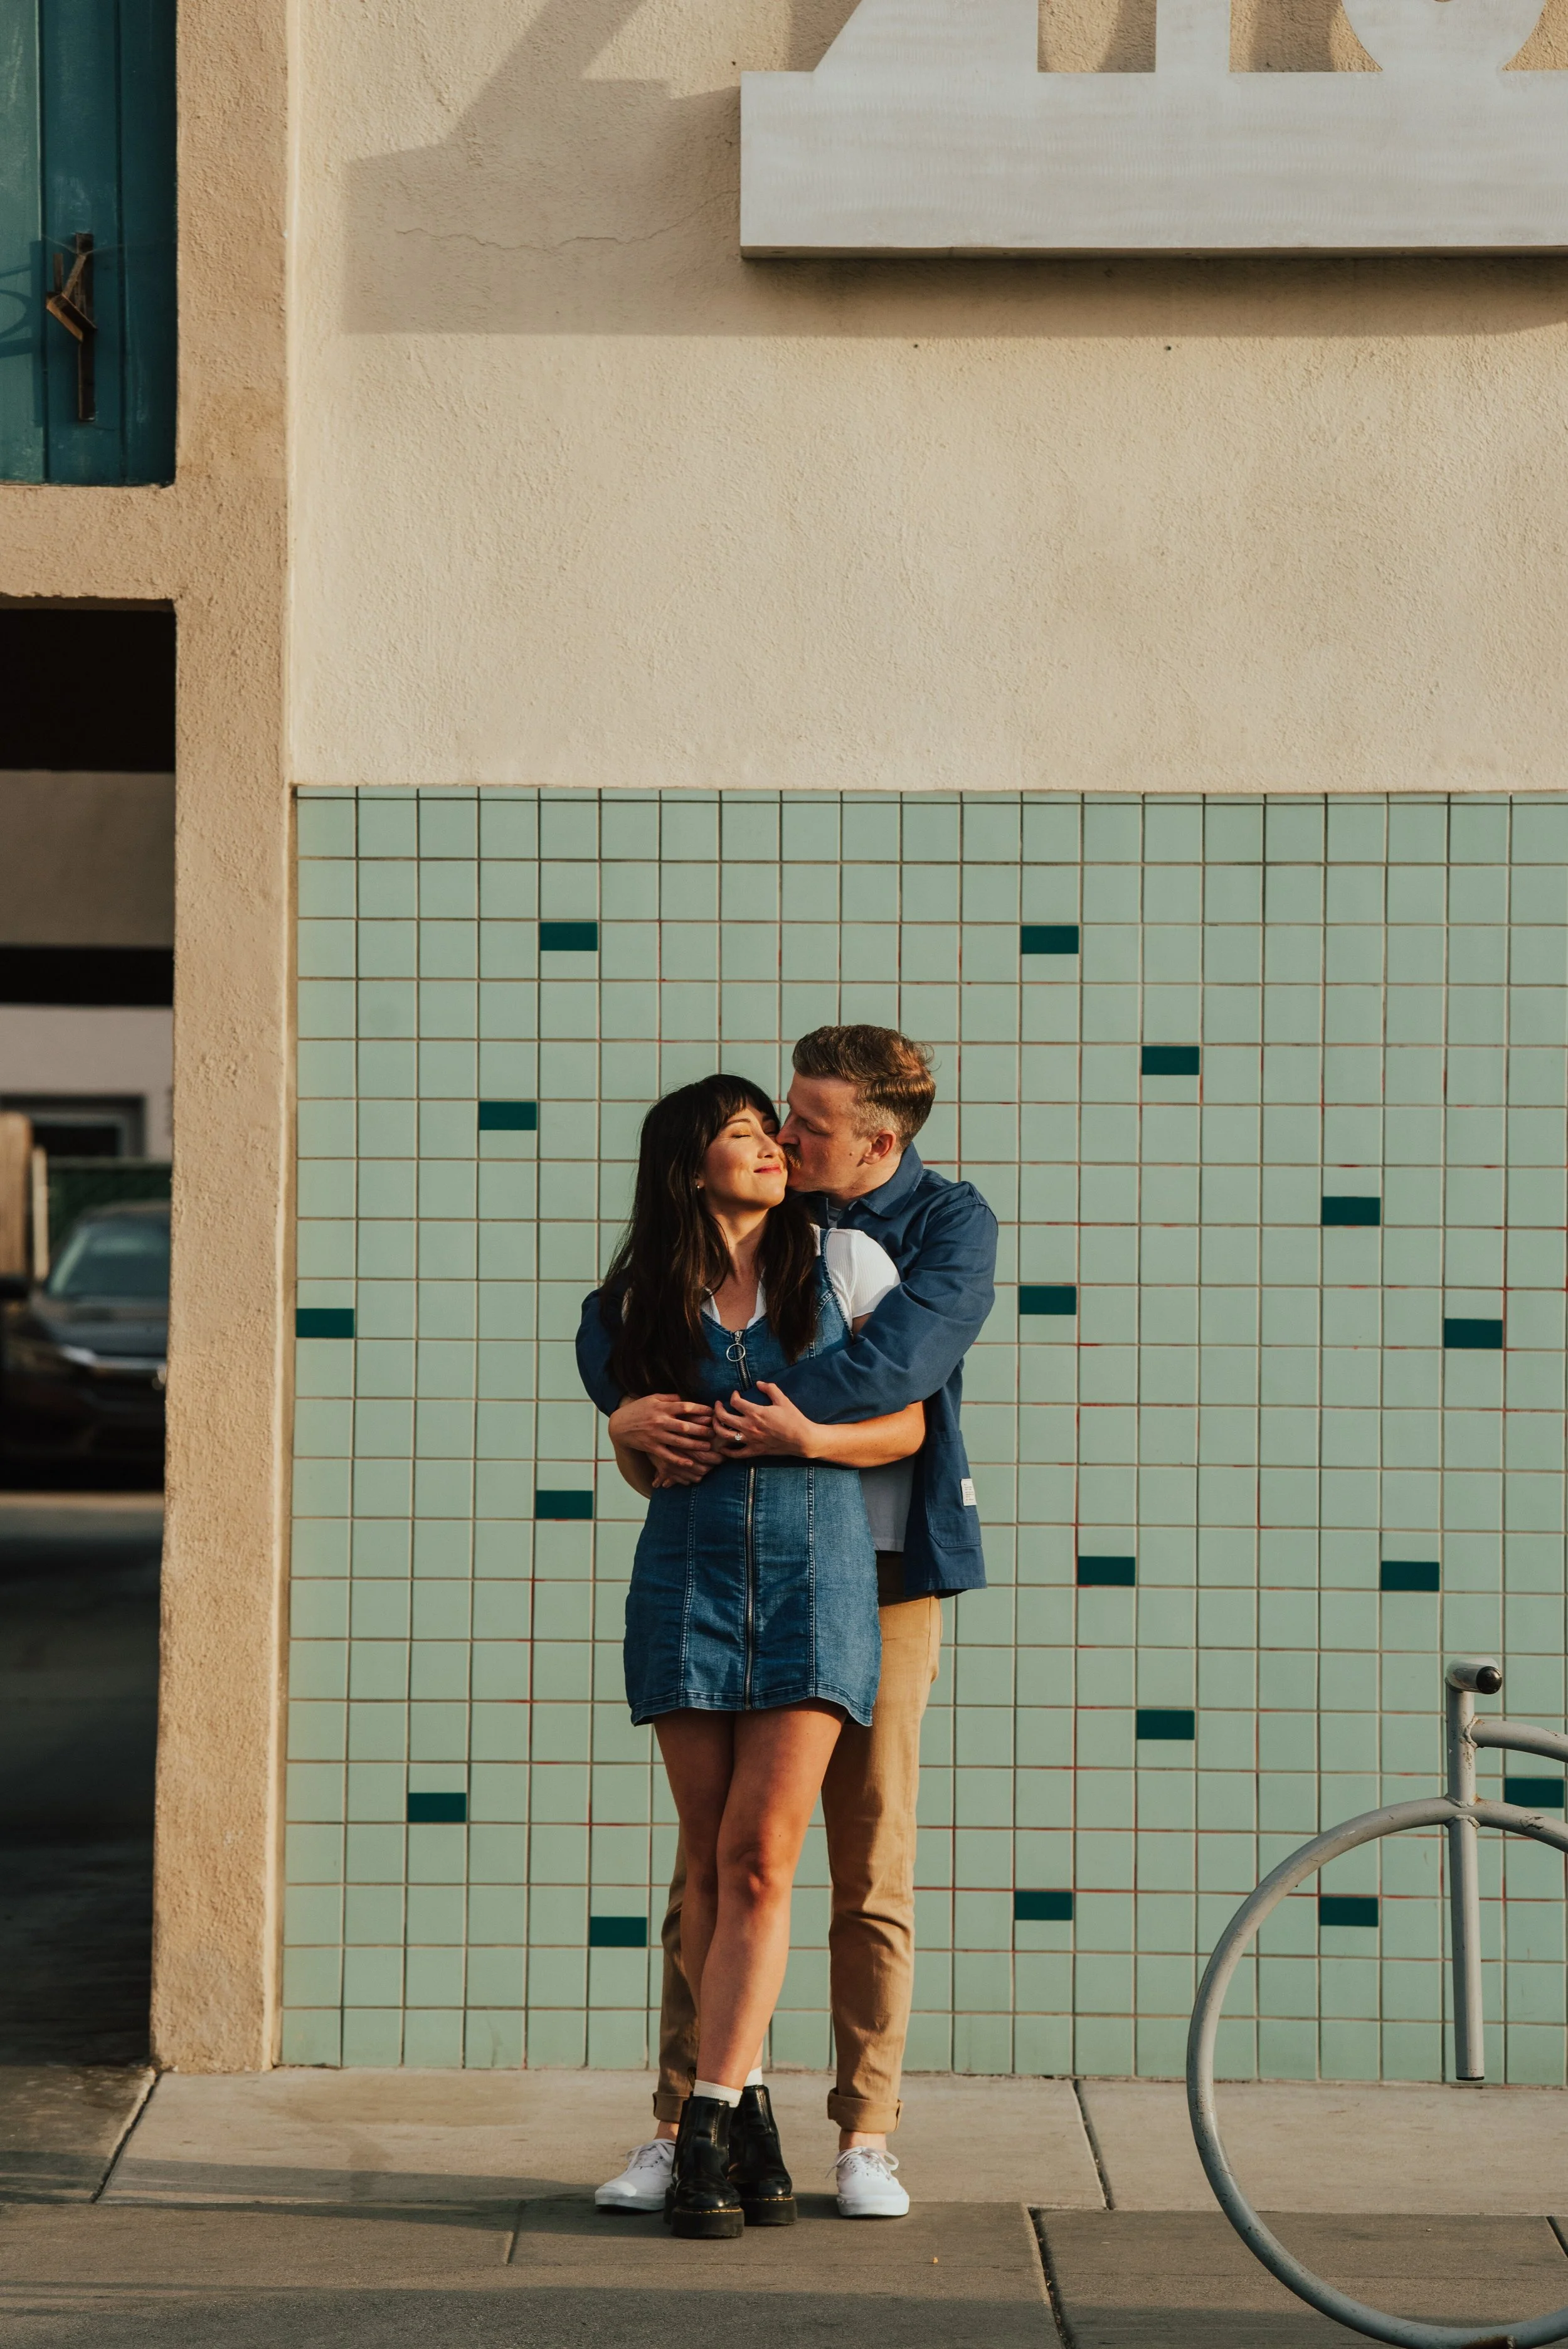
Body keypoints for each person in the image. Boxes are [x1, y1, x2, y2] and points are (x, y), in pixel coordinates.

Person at [580, 1026, 997, 2220]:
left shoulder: (932, 1232)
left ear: (879, 1137)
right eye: (775, 1119)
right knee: (714, 1867)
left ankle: (864, 2135)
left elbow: (898, 1381)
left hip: (877, 1571)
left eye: (806, 1123)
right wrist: (630, 1419)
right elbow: (628, 1379)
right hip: (718, 1567)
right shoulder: (690, 1267)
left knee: (866, 1863)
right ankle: (689, 2118)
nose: (786, 1134)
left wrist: (756, 1419)